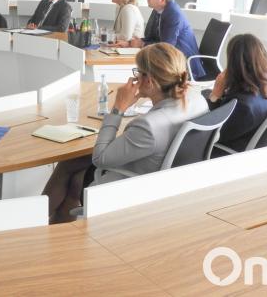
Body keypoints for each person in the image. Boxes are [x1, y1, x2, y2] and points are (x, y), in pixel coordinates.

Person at [42, 43, 208, 223]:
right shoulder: (197, 100)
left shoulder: (148, 126)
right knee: (72, 170)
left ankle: (35, 221)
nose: (135, 77)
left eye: (138, 72)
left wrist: (118, 109)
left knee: (70, 172)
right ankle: (53, 232)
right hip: (170, 180)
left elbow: (100, 159)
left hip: (133, 187)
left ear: (149, 81)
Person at [205, 34, 267, 152]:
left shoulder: (241, 104)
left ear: (233, 62)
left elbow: (214, 134)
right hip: (262, 144)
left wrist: (215, 94)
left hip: (235, 151)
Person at [115, 0, 205, 79]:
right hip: (168, 60)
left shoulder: (173, 14)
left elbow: (166, 46)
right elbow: (151, 37)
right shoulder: (157, 10)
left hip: (183, 65)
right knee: (140, 72)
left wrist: (142, 44)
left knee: (142, 74)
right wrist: (130, 43)